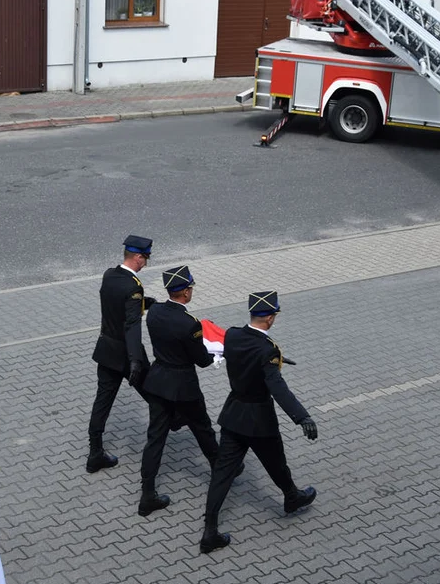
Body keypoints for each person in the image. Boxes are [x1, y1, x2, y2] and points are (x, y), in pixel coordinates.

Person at [199, 290, 318, 554]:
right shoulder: (267, 350)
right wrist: (302, 417)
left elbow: (243, 354)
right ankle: (292, 497)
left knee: (222, 475)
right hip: (259, 421)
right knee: (276, 464)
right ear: (270, 319)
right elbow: (278, 388)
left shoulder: (233, 335)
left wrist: (275, 361)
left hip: (233, 415)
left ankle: (209, 531)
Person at [137, 265, 223, 517]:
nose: (191, 291)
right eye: (191, 288)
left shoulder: (154, 313)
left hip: (157, 382)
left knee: (155, 439)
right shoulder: (189, 324)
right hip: (183, 387)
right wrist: (217, 356)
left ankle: (147, 494)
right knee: (202, 428)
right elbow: (201, 360)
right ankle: (221, 467)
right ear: (185, 292)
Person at [87, 235, 157, 474]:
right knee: (156, 393)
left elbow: (114, 303)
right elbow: (131, 325)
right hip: (127, 355)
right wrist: (135, 359)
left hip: (106, 351)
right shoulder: (133, 286)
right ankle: (170, 426)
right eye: (145, 258)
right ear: (137, 257)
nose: (146, 263)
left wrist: (145, 303)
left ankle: (94, 453)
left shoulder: (110, 275)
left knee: (102, 403)